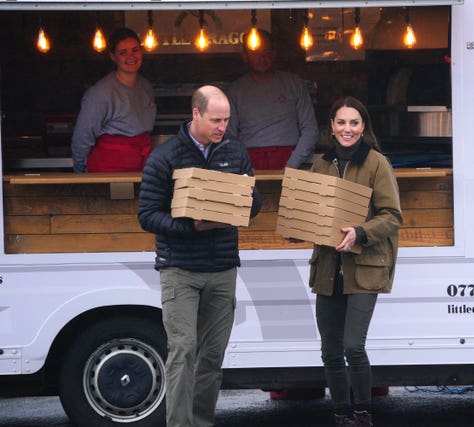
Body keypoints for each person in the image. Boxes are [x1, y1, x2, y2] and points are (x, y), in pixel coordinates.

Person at [138, 85, 261, 426]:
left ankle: (201, 422)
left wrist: (240, 201)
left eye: (226, 120)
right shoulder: (165, 156)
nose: (223, 127)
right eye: (216, 119)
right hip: (180, 268)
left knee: (211, 356)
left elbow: (257, 205)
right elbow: (147, 215)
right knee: (182, 351)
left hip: (222, 267)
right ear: (195, 114)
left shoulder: (235, 152)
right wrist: (190, 226)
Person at [308, 96, 402, 426]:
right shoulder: (321, 164)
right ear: (331, 127)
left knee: (352, 347)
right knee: (330, 351)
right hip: (328, 269)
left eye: (354, 123)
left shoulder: (377, 163)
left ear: (363, 128)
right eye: (341, 122)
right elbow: (315, 215)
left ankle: (362, 414)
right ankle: (341, 415)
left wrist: (360, 232)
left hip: (363, 268)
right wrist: (300, 226)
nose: (347, 129)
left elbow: (392, 216)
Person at [226, 29, 319, 170]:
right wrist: (241, 165)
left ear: (274, 54)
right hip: (249, 161)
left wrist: (292, 164)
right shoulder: (235, 90)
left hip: (290, 157)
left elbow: (310, 129)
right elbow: (228, 135)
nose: (262, 59)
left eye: (267, 53)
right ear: (244, 56)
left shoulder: (293, 83)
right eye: (255, 54)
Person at [71, 27, 156, 173]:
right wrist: (81, 175)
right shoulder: (100, 93)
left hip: (142, 164)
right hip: (109, 167)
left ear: (141, 51)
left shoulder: (145, 86)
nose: (131, 56)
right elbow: (82, 136)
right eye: (123, 52)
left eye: (135, 50)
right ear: (113, 56)